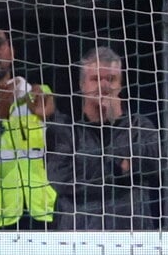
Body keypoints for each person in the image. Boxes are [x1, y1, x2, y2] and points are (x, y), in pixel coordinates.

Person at [48, 46, 161, 230]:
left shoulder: (140, 127)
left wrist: (112, 119)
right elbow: (63, 181)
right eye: (95, 79)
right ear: (82, 85)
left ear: (121, 85)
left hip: (131, 239)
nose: (104, 85)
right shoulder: (66, 132)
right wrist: (119, 169)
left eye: (111, 79)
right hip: (78, 240)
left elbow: (153, 164)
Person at [0, 27, 61, 229]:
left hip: (44, 213)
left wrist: (53, 117)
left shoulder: (38, 94)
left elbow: (64, 147)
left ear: (12, 52)